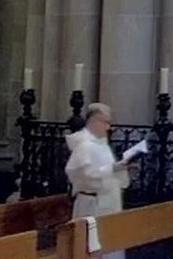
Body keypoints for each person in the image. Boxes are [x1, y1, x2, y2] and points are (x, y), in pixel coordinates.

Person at [65, 104, 131, 259]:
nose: (108, 127)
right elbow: (83, 176)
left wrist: (121, 168)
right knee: (91, 250)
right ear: (94, 121)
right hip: (92, 207)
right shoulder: (83, 146)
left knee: (110, 249)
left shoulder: (102, 144)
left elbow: (112, 174)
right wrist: (112, 169)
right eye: (105, 122)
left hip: (109, 205)